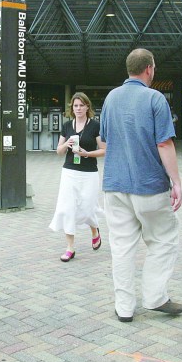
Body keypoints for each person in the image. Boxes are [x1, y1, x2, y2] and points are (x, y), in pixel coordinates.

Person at [99, 48, 182, 323]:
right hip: (149, 186)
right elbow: (164, 143)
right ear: (149, 68)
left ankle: (124, 307)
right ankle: (155, 297)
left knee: (121, 247)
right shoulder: (155, 99)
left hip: (114, 185)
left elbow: (104, 139)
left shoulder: (111, 98)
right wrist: (176, 182)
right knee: (163, 239)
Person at [48, 92, 106, 262]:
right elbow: (59, 151)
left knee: (87, 207)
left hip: (89, 173)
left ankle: (94, 229)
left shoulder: (95, 126)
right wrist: (66, 144)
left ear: (87, 107)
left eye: (81, 105)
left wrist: (87, 153)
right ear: (72, 108)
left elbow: (104, 150)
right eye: (75, 105)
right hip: (69, 172)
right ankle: (70, 248)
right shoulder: (67, 126)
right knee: (67, 208)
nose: (78, 108)